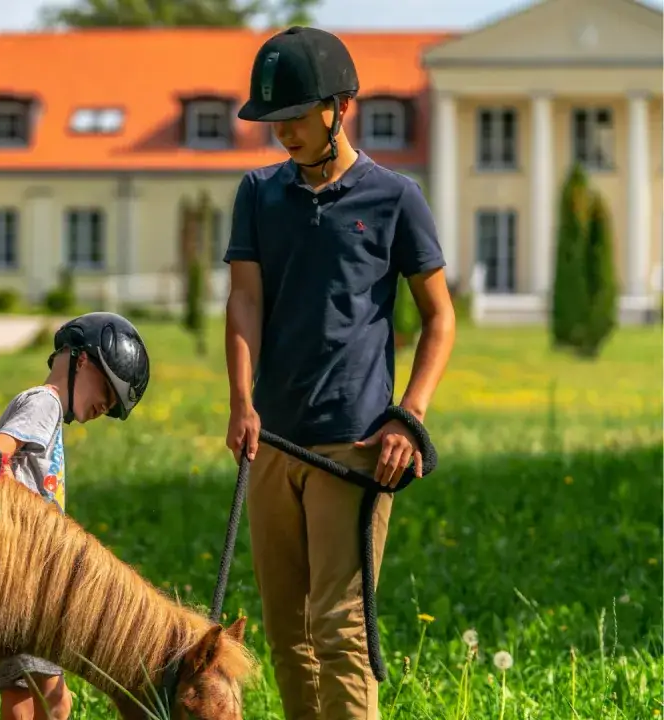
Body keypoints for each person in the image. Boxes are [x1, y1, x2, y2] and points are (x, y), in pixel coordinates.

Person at [222, 26, 457, 720]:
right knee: (287, 636)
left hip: (352, 447)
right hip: (271, 444)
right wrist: (241, 401)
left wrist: (407, 417)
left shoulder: (395, 200)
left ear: (340, 105)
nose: (284, 134)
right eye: (275, 121)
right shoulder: (258, 195)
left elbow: (440, 318)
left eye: (296, 117)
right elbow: (243, 299)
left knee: (339, 629)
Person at [0, 312, 151, 720]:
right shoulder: (44, 403)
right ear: (82, 360)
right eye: (107, 393)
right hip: (21, 575)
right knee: (33, 702)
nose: (104, 407)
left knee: (50, 701)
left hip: (32, 578)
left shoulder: (50, 411)